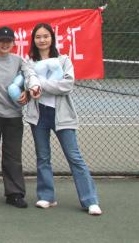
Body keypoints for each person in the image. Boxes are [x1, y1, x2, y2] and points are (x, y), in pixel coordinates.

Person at [24, 23, 102, 216]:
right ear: (33, 40)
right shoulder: (29, 62)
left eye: (46, 36)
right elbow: (29, 80)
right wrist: (35, 84)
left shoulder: (64, 60)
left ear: (52, 38)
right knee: (43, 157)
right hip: (39, 116)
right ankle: (46, 196)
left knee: (74, 157)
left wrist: (40, 84)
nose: (42, 40)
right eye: (38, 37)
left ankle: (90, 200)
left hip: (62, 116)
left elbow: (67, 85)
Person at [0, 26, 28, 209]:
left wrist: (27, 92)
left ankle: (14, 193)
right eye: (1, 41)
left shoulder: (19, 61)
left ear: (13, 43)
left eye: (8, 41)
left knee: (13, 156)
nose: (4, 44)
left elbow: (29, 78)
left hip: (14, 115)